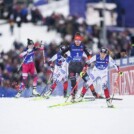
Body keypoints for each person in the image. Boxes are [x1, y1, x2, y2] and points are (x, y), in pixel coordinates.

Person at [60, 32, 101, 102]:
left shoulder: (83, 46)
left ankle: (94, 94)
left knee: (88, 79)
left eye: (79, 41)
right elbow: (62, 52)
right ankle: (73, 96)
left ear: (81, 41)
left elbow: (89, 55)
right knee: (73, 82)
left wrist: (89, 62)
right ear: (74, 40)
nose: (77, 42)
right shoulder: (71, 45)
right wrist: (66, 56)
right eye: (76, 41)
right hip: (72, 67)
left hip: (80, 67)